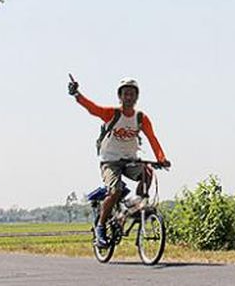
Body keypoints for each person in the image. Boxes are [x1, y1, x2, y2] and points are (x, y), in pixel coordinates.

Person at [69, 76, 171, 248]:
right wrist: (77, 94)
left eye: (132, 94)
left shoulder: (141, 118)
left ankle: (137, 204)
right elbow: (93, 108)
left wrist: (161, 159)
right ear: (120, 96)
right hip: (110, 160)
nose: (129, 97)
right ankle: (101, 227)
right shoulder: (113, 114)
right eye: (125, 94)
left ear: (136, 97)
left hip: (131, 160)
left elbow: (152, 139)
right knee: (115, 190)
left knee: (147, 173)